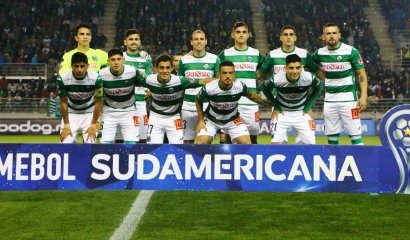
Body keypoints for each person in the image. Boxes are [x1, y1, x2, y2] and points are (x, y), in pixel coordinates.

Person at [312, 23, 368, 145]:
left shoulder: (351, 51)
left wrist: (363, 96)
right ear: (323, 37)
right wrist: (320, 74)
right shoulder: (319, 53)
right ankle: (334, 163)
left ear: (339, 35)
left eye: (334, 33)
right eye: (328, 33)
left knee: (355, 136)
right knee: (331, 138)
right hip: (329, 100)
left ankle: (362, 163)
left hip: (349, 100)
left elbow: (362, 74)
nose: (331, 36)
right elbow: (309, 64)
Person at [140, 54, 216, 144]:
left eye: (167, 68)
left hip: (174, 118)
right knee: (152, 147)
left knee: (178, 148)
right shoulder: (149, 80)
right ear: (156, 68)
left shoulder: (179, 81)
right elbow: (131, 80)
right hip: (155, 118)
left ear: (172, 68)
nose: (165, 71)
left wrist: (221, 79)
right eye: (162, 68)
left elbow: (202, 81)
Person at [195, 61, 271, 144]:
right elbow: (198, 100)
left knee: (247, 143)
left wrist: (268, 104)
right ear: (219, 75)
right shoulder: (209, 87)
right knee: (200, 143)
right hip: (211, 120)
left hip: (233, 121)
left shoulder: (239, 86)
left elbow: (252, 96)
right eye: (224, 73)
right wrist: (201, 121)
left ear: (234, 74)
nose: (228, 76)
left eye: (230, 73)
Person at [261, 54, 323, 144]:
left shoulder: (308, 77)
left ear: (301, 68)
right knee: (276, 145)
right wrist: (276, 106)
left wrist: (308, 106)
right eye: (291, 68)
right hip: (281, 113)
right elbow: (264, 86)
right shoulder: (278, 79)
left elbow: (319, 86)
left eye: (298, 68)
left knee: (310, 146)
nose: (295, 71)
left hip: (302, 113)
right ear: (285, 68)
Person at [218, 21, 263, 144]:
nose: (241, 34)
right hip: (230, 102)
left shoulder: (255, 54)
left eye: (244, 32)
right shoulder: (225, 54)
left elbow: (262, 72)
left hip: (250, 103)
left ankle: (253, 160)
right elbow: (215, 72)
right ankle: (225, 162)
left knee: (253, 137)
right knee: (226, 137)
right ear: (233, 35)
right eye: (238, 32)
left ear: (248, 35)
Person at [179, 30, 221, 143]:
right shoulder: (183, 60)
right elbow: (181, 82)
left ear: (206, 41)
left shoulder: (214, 59)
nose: (199, 42)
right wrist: (206, 80)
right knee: (187, 141)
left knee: (205, 140)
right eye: (196, 39)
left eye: (201, 39)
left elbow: (219, 80)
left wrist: (196, 81)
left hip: (207, 105)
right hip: (187, 106)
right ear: (191, 42)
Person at [99, 48, 145, 144]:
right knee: (105, 145)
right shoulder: (101, 74)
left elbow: (148, 83)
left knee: (131, 144)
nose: (116, 62)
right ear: (108, 61)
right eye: (113, 60)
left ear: (123, 60)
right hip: (109, 112)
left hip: (129, 111)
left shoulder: (133, 71)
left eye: (119, 59)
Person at [57, 52, 103, 143]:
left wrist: (93, 125)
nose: (79, 69)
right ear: (71, 66)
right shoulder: (62, 78)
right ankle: (75, 144)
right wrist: (66, 126)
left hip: (90, 113)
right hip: (71, 113)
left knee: (89, 144)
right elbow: (63, 102)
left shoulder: (96, 79)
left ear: (87, 66)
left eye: (82, 66)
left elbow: (98, 103)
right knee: (64, 144)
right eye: (76, 66)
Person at [117, 29, 153, 143]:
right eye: (131, 39)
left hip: (140, 103)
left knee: (142, 139)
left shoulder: (146, 61)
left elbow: (147, 79)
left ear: (140, 42)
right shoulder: (119, 58)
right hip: (121, 103)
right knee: (119, 140)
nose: (134, 41)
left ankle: (140, 160)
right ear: (125, 42)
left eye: (136, 39)